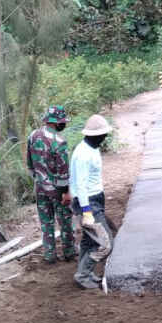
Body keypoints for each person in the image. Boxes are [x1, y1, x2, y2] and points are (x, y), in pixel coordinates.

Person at [70, 114, 114, 289]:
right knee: (106, 243)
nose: (105, 137)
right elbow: (80, 185)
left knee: (89, 241)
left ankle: (85, 273)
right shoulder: (82, 154)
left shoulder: (92, 149)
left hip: (95, 199)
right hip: (87, 202)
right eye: (103, 135)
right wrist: (87, 211)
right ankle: (83, 275)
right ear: (94, 135)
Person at [27, 105, 75, 264]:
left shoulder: (33, 135)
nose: (63, 124)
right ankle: (69, 251)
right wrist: (66, 193)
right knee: (65, 221)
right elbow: (63, 172)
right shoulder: (59, 141)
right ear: (56, 123)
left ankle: (50, 255)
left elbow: (29, 164)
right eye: (62, 121)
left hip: (40, 188)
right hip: (57, 190)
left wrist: (39, 180)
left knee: (46, 222)